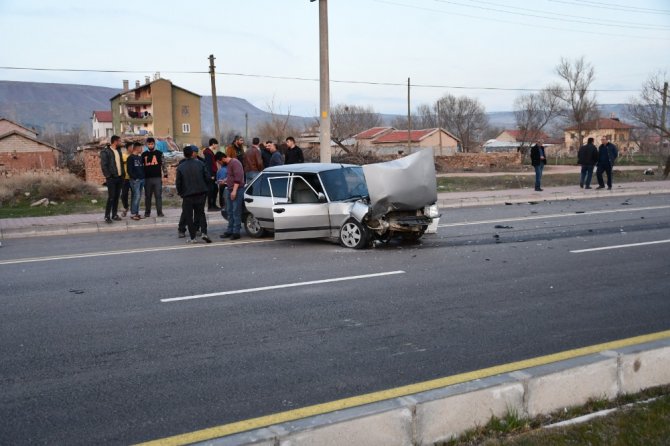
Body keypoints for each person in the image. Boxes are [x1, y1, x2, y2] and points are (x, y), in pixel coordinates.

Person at [176, 145, 212, 244]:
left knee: (189, 216)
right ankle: (204, 233)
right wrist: (205, 188)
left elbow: (178, 182)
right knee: (201, 214)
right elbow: (207, 177)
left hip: (187, 195)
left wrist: (180, 193)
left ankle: (193, 238)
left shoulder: (181, 166)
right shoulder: (200, 164)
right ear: (192, 153)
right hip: (201, 193)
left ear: (184, 155)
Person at [177, 146, 203, 238]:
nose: (195, 153)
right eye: (194, 152)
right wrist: (180, 192)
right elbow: (179, 180)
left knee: (197, 212)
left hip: (198, 192)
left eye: (196, 152)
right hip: (187, 192)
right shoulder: (182, 163)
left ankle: (196, 229)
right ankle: (181, 229)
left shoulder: (201, 162)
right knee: (186, 212)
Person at [219, 151, 245, 240]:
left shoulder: (235, 163)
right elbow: (231, 176)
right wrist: (225, 180)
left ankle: (236, 232)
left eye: (219, 162)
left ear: (222, 159)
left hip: (237, 190)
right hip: (230, 189)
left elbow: (238, 178)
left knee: (236, 211)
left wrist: (234, 191)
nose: (219, 164)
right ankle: (230, 230)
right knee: (229, 211)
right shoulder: (229, 164)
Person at [99, 135, 125, 223]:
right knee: (111, 197)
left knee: (117, 197)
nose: (120, 142)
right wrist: (108, 176)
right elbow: (104, 165)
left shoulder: (118, 150)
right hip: (111, 178)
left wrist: (122, 175)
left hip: (119, 177)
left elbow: (120, 163)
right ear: (115, 141)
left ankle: (114, 215)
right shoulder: (105, 151)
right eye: (119, 141)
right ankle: (107, 216)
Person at [142, 137, 168, 217]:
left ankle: (159, 212)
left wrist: (165, 174)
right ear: (147, 145)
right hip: (147, 178)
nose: (150, 145)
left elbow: (164, 164)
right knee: (148, 196)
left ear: (154, 144)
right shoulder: (143, 154)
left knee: (158, 196)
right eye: (149, 144)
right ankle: (147, 212)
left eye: (152, 144)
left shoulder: (159, 153)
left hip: (157, 178)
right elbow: (141, 166)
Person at [126, 142, 145, 220]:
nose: (142, 149)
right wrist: (135, 178)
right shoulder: (130, 158)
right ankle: (133, 214)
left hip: (142, 179)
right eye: (141, 148)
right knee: (135, 196)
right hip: (135, 181)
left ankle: (136, 213)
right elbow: (129, 170)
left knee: (139, 197)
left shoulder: (140, 157)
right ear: (137, 148)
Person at [202, 138, 220, 211]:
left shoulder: (210, 152)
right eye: (216, 145)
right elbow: (208, 165)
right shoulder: (208, 153)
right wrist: (210, 175)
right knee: (211, 190)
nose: (216, 146)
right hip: (211, 174)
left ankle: (214, 205)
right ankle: (210, 206)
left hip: (213, 173)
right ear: (213, 144)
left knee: (215, 189)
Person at [120, 142, 133, 217]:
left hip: (133, 178)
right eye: (131, 147)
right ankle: (126, 207)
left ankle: (134, 210)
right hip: (125, 178)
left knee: (134, 195)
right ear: (127, 148)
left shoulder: (134, 156)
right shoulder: (123, 156)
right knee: (124, 195)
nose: (132, 148)